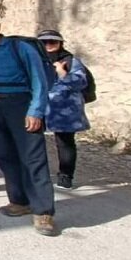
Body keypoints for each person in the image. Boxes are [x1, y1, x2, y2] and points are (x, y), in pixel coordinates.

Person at [0, 12, 56, 237]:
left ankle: (43, 211)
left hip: (20, 104)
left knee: (33, 158)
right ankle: (19, 201)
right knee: (4, 155)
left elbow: (39, 81)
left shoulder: (20, 48)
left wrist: (36, 110)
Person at [38, 29, 90, 190]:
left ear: (60, 43)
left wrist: (62, 73)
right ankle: (38, 175)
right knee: (34, 142)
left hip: (64, 109)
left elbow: (80, 82)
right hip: (39, 106)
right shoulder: (34, 60)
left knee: (65, 143)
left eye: (52, 42)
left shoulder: (71, 61)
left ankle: (66, 176)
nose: (48, 45)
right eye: (43, 42)